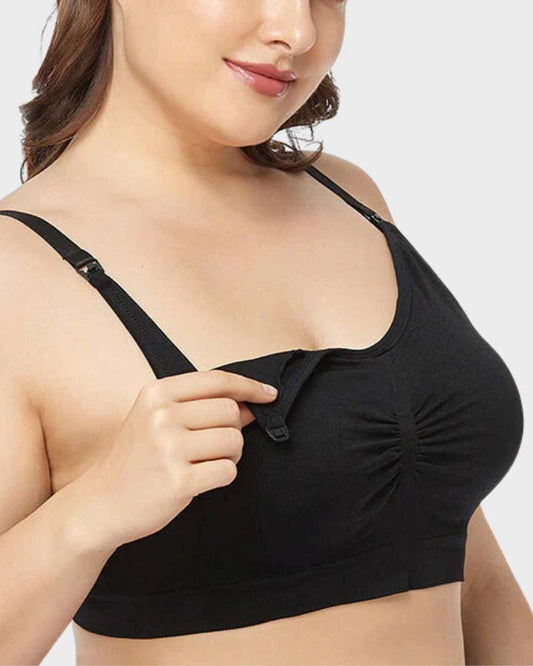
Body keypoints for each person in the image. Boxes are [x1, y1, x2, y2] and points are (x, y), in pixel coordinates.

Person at [0, 1, 531, 664]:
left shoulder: (351, 197)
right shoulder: (17, 272)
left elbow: (471, 569)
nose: (297, 31)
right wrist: (90, 513)